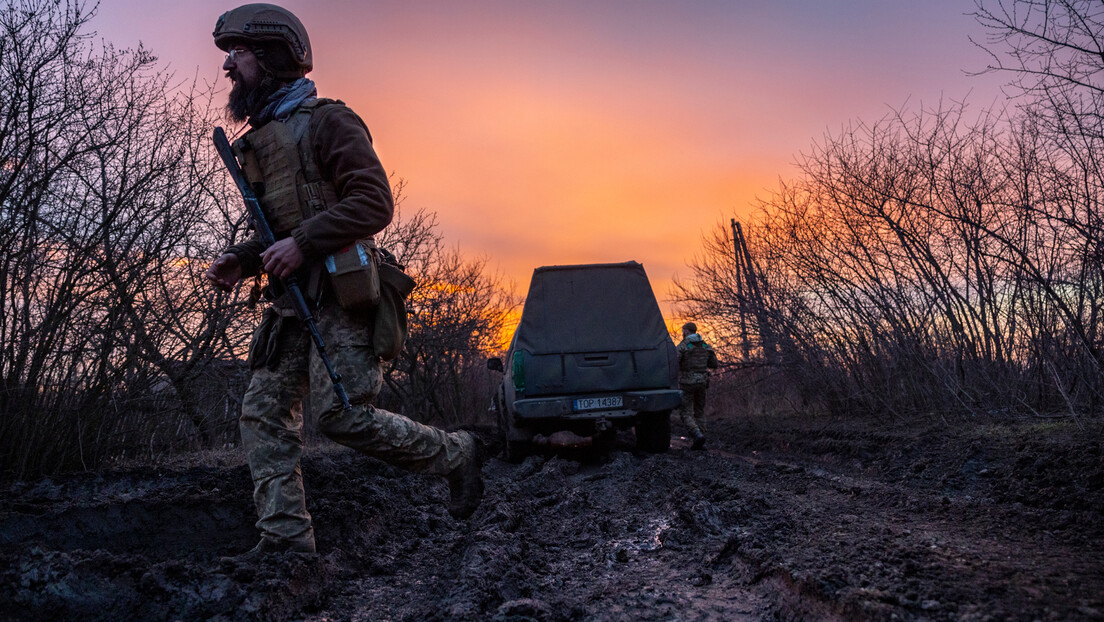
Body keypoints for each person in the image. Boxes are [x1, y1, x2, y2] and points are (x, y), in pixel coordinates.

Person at [205, 3, 483, 556]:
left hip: (343, 296)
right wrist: (245, 259)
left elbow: (374, 202)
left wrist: (303, 242)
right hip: (292, 304)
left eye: (236, 53)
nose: (229, 66)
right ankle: (285, 539)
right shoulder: (263, 140)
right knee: (263, 412)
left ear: (270, 55)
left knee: (342, 416)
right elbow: (277, 232)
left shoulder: (330, 121)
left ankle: (456, 454)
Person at [676, 322, 718, 450]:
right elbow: (714, 364)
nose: (682, 333)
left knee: (685, 413)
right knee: (699, 412)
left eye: (683, 330)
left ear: (687, 331)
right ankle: (701, 440)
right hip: (702, 383)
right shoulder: (706, 345)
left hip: (687, 383)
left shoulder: (683, 346)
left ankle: (697, 434)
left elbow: (674, 363)